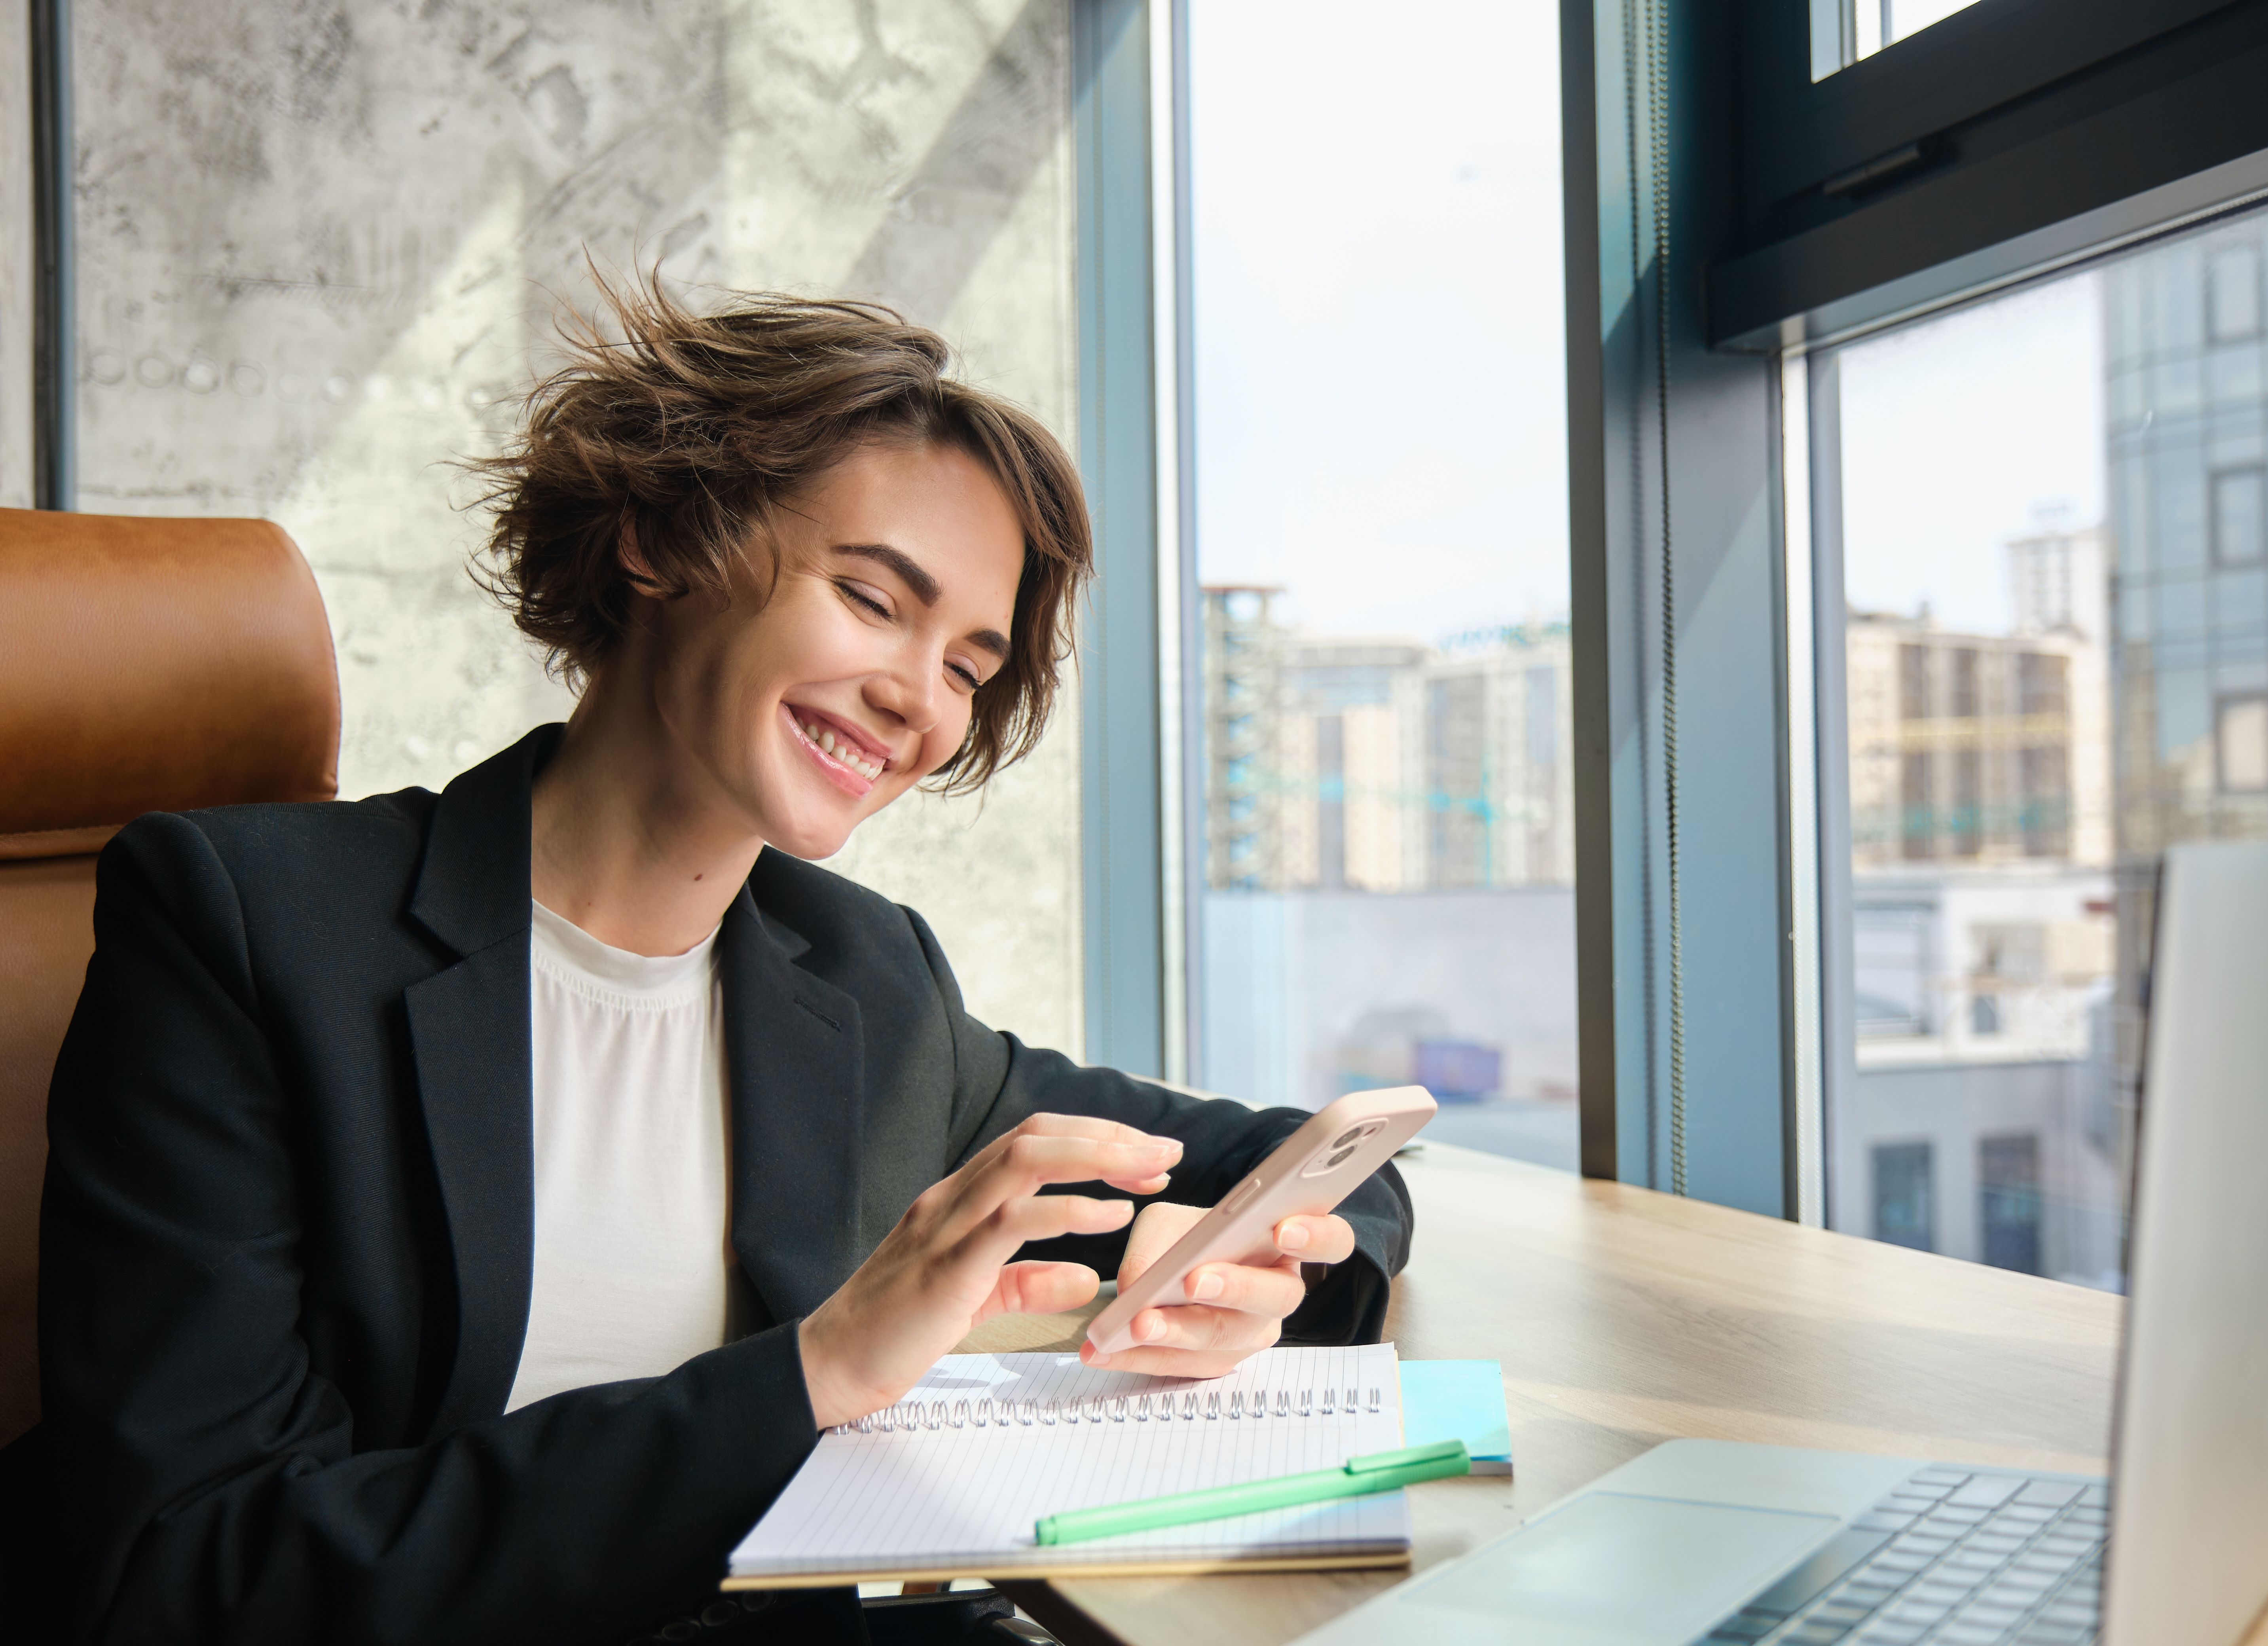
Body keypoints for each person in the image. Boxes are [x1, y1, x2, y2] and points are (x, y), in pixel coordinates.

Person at [26, 286, 1411, 1644]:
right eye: (873, 599)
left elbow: (1311, 1164)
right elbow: (193, 1568)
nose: (920, 702)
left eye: (971, 668)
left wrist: (1240, 1268)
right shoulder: (247, 930)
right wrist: (813, 1375)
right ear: (658, 542)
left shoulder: (863, 979)